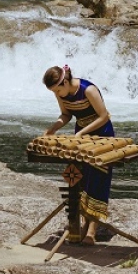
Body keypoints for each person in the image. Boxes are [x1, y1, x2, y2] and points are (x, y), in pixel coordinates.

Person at [42, 62, 114, 244]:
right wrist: (53, 129)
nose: (56, 95)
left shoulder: (88, 90)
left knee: (97, 178)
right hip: (81, 136)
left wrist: (82, 132)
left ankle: (91, 231)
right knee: (79, 177)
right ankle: (81, 224)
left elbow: (104, 115)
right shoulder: (61, 92)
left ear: (64, 82)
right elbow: (66, 115)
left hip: (102, 135)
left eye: (57, 91)